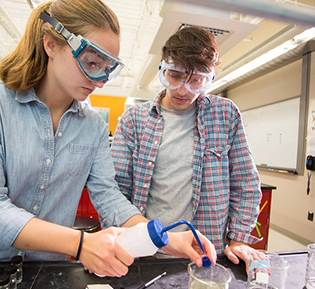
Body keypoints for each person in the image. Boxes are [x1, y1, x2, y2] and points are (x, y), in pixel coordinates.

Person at [0, 0, 216, 277]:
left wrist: (165, 238)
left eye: (107, 67)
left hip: (42, 271)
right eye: (92, 62)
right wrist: (80, 243)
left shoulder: (93, 126)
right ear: (51, 45)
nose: (99, 79)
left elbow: (109, 197)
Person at [111, 25, 262, 270]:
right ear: (163, 69)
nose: (183, 90)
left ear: (209, 79)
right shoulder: (133, 121)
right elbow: (116, 192)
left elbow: (246, 183)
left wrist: (237, 241)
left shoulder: (225, 115)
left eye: (196, 81)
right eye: (175, 76)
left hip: (206, 254)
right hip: (147, 255)